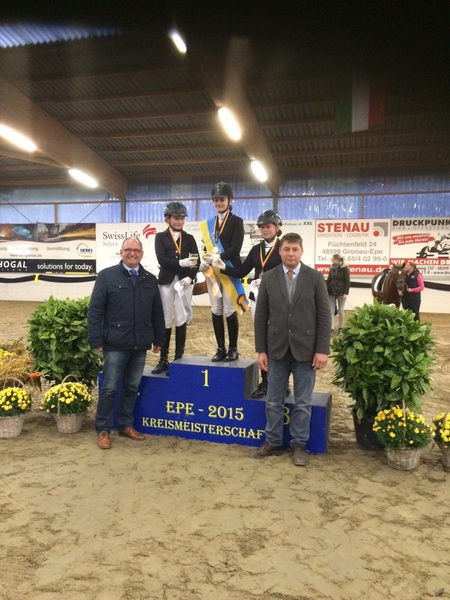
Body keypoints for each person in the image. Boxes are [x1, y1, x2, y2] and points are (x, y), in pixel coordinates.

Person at [252, 232, 330, 466]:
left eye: (295, 249)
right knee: (273, 400)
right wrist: (261, 350)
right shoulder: (269, 277)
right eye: (286, 249)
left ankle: (299, 444)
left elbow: (324, 315)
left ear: (301, 251)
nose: (290, 253)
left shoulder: (315, 277)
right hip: (276, 350)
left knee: (303, 402)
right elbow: (261, 316)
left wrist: (322, 350)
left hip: (306, 351)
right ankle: (273, 440)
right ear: (280, 251)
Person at [88, 237, 165, 450]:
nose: (132, 253)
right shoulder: (107, 276)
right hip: (115, 343)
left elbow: (157, 312)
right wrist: (95, 338)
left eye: (136, 250)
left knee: (132, 387)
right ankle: (103, 430)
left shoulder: (150, 279)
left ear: (142, 254)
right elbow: (95, 310)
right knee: (110, 388)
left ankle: (125, 425)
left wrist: (159, 338)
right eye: (128, 250)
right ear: (121, 252)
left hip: (140, 344)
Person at [211, 209, 283, 397]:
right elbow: (241, 272)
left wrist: (270, 280)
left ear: (277, 227)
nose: (265, 230)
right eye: (262, 227)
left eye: (268, 226)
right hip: (259, 298)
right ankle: (265, 382)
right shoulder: (256, 249)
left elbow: (289, 271)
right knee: (263, 338)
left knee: (279, 339)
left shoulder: (283, 247)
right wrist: (224, 267)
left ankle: (282, 383)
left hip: (279, 299)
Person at [199, 181, 248, 362]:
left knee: (229, 309)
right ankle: (220, 348)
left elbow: (236, 248)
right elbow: (206, 247)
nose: (219, 203)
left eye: (222, 200)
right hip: (213, 272)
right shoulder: (209, 224)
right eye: (216, 200)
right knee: (216, 309)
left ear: (229, 200)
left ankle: (233, 349)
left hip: (228, 269)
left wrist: (219, 257)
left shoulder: (236, 221)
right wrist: (205, 260)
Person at [152, 202, 199, 374]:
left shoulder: (189, 238)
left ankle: (179, 358)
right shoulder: (160, 237)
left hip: (184, 283)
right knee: (165, 317)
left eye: (182, 218)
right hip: (166, 281)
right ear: (168, 219)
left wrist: (190, 277)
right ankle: (163, 359)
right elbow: (161, 259)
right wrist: (180, 263)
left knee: (181, 317)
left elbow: (196, 261)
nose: (179, 221)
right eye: (176, 218)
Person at [326, 253, 350, 335]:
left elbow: (347, 281)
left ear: (337, 259)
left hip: (341, 293)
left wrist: (345, 293)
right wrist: (325, 290)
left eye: (333, 259)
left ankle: (341, 328)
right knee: (331, 310)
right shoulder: (332, 268)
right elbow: (329, 280)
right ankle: (331, 328)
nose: (332, 260)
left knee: (341, 311)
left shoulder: (345, 269)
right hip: (331, 292)